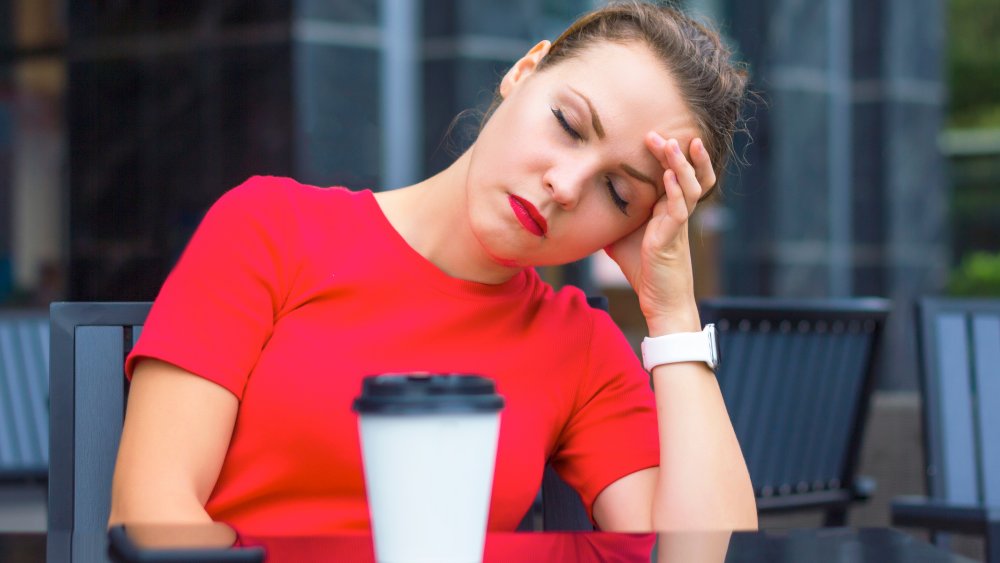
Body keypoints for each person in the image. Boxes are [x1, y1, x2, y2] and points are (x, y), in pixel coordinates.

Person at [109, 1, 758, 534]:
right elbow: (151, 511)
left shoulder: (580, 347)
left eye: (618, 194)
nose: (565, 186)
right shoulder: (271, 228)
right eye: (568, 124)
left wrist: (672, 313)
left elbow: (703, 554)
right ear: (524, 72)